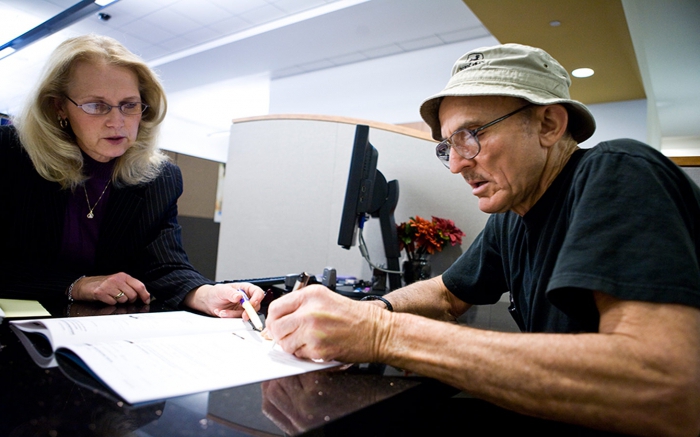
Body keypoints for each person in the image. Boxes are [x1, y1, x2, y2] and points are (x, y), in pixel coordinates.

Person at [265, 44, 700, 436]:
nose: (455, 165)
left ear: (548, 124)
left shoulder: (618, 171)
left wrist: (381, 333)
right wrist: (365, 311)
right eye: (447, 147)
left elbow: (665, 387)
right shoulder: (515, 215)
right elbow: (444, 294)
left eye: (470, 136)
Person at [0, 34, 263, 318]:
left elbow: (164, 265)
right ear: (59, 106)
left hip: (104, 334)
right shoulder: (9, 154)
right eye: (95, 105)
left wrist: (205, 293)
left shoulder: (159, 177)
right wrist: (75, 285)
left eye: (129, 105)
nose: (117, 121)